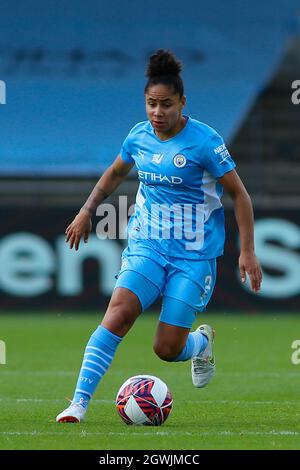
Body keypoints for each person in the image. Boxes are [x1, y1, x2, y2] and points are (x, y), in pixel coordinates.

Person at [56, 49, 262, 423]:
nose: (157, 112)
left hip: (193, 256)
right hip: (147, 247)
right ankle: (78, 404)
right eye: (151, 103)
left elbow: (239, 194)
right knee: (117, 316)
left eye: (166, 104)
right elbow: (115, 173)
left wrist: (247, 251)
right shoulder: (138, 137)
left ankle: (200, 343)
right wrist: (87, 211)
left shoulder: (205, 142)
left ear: (183, 103)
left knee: (166, 349)